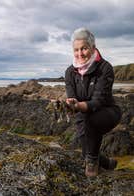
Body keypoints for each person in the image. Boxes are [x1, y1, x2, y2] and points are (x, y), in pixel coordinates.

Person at [65, 28, 122, 177]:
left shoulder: (105, 68)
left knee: (91, 124)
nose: (80, 53)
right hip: (82, 115)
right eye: (76, 50)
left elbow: (98, 101)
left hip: (107, 112)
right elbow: (72, 97)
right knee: (86, 151)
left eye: (84, 48)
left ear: (93, 47)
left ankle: (92, 163)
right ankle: (108, 163)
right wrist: (70, 104)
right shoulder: (70, 72)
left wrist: (78, 106)